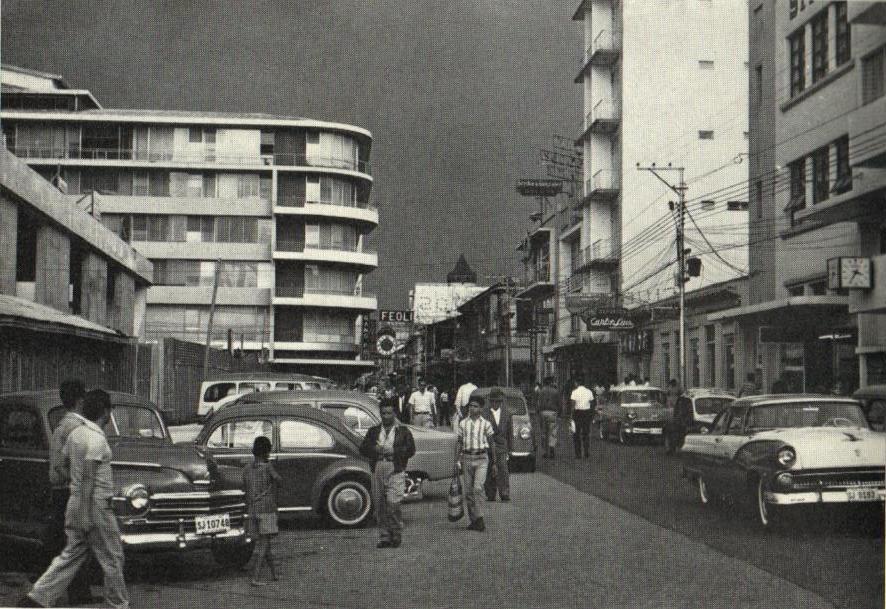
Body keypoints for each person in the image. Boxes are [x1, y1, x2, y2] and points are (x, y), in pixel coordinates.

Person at [21, 390, 128, 609]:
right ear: (105, 412)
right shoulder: (96, 439)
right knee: (112, 557)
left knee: (72, 554)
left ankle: (37, 597)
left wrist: (76, 486)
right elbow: (89, 476)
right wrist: (86, 512)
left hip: (74, 501)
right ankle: (118, 604)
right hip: (96, 505)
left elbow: (60, 466)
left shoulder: (76, 435)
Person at [44, 380, 99, 605]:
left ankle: (75, 592)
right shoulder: (73, 427)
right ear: (80, 400)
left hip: (62, 491)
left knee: (70, 543)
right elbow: (60, 466)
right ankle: (74, 594)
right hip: (66, 491)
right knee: (73, 543)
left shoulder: (63, 426)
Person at [360, 398, 416, 548]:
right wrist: (374, 449)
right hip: (378, 466)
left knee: (393, 503)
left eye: (389, 413)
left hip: (395, 467)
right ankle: (384, 536)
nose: (386, 416)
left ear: (394, 413)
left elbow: (411, 450)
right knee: (380, 504)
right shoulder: (373, 431)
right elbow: (363, 448)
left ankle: (396, 534)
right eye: (383, 413)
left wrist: (395, 451)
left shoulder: (403, 431)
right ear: (380, 413)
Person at [242, 436, 281, 586]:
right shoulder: (267, 467)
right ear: (266, 451)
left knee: (265, 543)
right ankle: (255, 577)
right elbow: (279, 480)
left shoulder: (247, 468)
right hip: (266, 507)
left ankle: (274, 574)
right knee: (264, 544)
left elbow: (245, 487)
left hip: (252, 508)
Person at [457, 399, 495, 531]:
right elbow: (459, 442)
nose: (472, 408)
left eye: (475, 406)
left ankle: (480, 518)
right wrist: (456, 460)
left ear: (481, 409)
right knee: (468, 491)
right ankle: (473, 520)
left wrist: (494, 462)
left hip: (481, 458)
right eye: (471, 406)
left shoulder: (486, 424)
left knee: (478, 488)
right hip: (467, 458)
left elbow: (491, 443)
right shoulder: (463, 423)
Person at [482, 388, 512, 502]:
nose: (495, 403)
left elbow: (509, 432)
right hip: (488, 445)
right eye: (493, 401)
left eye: (497, 401)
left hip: (501, 446)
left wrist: (509, 448)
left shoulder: (506, 413)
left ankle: (504, 492)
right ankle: (490, 494)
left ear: (501, 402)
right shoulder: (484, 413)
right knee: (489, 470)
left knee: (503, 469)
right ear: (490, 401)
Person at [664, 380, 693, 455]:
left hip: (675, 418)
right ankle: (672, 448)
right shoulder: (672, 397)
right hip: (673, 418)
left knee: (673, 434)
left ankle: (672, 448)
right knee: (672, 434)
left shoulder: (678, 398)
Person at [536, 376, 562, 459]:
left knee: (543, 432)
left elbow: (538, 403)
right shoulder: (556, 391)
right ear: (551, 382)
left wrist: (538, 412)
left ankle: (545, 451)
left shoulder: (541, 391)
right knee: (553, 431)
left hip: (543, 412)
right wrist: (560, 414)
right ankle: (551, 448)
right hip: (552, 413)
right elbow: (559, 404)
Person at [569, 377, 595, 459]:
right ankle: (586, 452)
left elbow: (573, 405)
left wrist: (571, 415)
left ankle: (578, 454)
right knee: (586, 433)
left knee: (576, 434)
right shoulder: (589, 392)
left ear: (577, 383)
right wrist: (591, 414)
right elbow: (592, 403)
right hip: (587, 413)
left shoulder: (574, 392)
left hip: (577, 413)